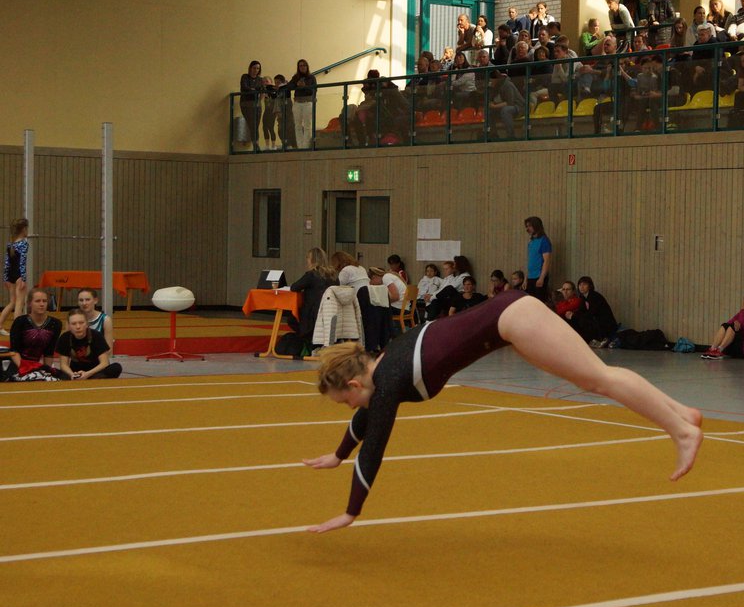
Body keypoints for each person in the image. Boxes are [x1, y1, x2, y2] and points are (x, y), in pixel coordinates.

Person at [300, 290, 704, 532]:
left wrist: (351, 512)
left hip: (514, 320)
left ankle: (682, 431)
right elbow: (368, 417)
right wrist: (338, 454)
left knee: (599, 378)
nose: (350, 408)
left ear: (355, 385)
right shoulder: (386, 364)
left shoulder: (388, 381)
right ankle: (681, 413)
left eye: (345, 401)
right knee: (595, 378)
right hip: (509, 319)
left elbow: (374, 445)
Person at [4, 289, 67, 381]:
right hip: (18, 364)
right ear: (30, 303)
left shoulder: (55, 324)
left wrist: (47, 372)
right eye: (37, 301)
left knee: (62, 378)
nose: (41, 304)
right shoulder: (20, 322)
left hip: (36, 366)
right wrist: (25, 368)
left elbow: (49, 353)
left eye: (44, 301)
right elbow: (14, 351)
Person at [290, 248, 339, 349]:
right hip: (330, 312)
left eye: (308, 258)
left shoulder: (312, 274)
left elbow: (294, 287)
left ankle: (306, 341)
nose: (306, 260)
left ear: (313, 260)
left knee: (291, 318)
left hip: (312, 313)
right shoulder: (333, 275)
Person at [55, 310, 122, 380]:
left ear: (87, 324)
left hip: (95, 372)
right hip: (74, 373)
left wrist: (87, 374)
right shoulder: (65, 337)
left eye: (81, 323)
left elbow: (104, 363)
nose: (78, 327)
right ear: (69, 326)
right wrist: (72, 374)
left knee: (116, 367)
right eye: (73, 324)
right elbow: (63, 365)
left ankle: (92, 380)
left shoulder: (96, 336)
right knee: (54, 372)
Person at [702, 292, 744, 360]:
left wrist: (743, 310)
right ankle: (713, 349)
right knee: (725, 325)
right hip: (734, 345)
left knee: (732, 327)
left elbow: (742, 325)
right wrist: (736, 321)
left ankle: (719, 350)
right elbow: (729, 322)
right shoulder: (741, 314)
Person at [1, 217, 30, 336]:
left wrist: (5, 278)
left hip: (10, 275)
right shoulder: (23, 243)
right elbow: (22, 262)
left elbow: (7, 263)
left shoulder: (11, 244)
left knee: (12, 302)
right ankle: (17, 330)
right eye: (27, 228)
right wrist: (23, 278)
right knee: (19, 303)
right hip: (18, 276)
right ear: (23, 229)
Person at [574, 276, 618, 347]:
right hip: (596, 322)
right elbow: (581, 311)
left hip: (605, 324)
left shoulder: (595, 296)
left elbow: (591, 313)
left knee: (583, 321)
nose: (581, 287)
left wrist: (575, 316)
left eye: (584, 284)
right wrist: (572, 314)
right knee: (577, 320)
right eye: (580, 285)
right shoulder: (583, 297)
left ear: (590, 286)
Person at [289, 59, 317, 150]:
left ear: (307, 66)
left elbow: (313, 90)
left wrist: (304, 86)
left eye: (304, 65)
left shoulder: (311, 77)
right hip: (297, 103)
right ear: (298, 67)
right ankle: (300, 146)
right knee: (297, 125)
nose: (302, 67)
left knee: (307, 125)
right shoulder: (295, 77)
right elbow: (289, 86)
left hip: (307, 102)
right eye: (300, 65)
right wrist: (296, 85)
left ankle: (306, 146)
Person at [239, 61, 266, 151]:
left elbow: (263, 91)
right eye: (254, 68)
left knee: (256, 124)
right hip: (246, 104)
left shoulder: (260, 79)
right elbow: (245, 88)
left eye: (258, 68)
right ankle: (256, 145)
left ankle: (256, 143)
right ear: (250, 68)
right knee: (252, 124)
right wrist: (254, 90)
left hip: (256, 104)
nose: (256, 70)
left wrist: (259, 100)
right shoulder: (245, 77)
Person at [524, 215, 552, 302]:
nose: (527, 229)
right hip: (531, 276)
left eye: (530, 226)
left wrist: (542, 277)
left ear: (536, 226)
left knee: (539, 302)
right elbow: (530, 262)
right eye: (526, 226)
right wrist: (526, 279)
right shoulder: (531, 242)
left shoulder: (544, 241)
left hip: (539, 276)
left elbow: (546, 261)